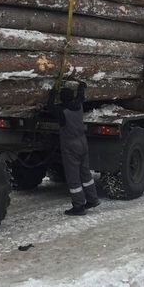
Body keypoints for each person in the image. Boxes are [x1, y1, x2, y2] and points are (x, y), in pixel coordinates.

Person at [47, 81, 100, 216]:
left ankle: (78, 206)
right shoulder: (79, 106)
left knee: (73, 177)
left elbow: (50, 107)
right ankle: (93, 199)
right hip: (83, 143)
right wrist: (81, 87)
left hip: (70, 147)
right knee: (85, 174)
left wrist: (52, 93)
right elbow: (81, 96)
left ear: (63, 99)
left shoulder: (62, 112)